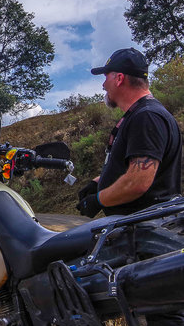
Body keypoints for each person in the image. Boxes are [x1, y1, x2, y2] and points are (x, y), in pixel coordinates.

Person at [76, 47, 182, 219]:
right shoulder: (140, 115)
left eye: (106, 78)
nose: (103, 86)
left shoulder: (147, 116)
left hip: (144, 232)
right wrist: (98, 182)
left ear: (119, 78)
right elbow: (130, 168)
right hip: (138, 229)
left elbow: (138, 181)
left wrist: (98, 200)